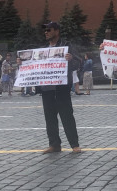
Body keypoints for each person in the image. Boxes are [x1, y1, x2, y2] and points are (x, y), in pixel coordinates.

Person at [39, 21, 81, 154]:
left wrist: (71, 59)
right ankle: (54, 144)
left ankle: (74, 144)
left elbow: (79, 63)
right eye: (45, 30)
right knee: (50, 118)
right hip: (47, 89)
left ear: (56, 31)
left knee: (67, 116)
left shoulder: (67, 46)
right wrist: (22, 63)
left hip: (62, 88)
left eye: (49, 30)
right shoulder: (42, 49)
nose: (46, 32)